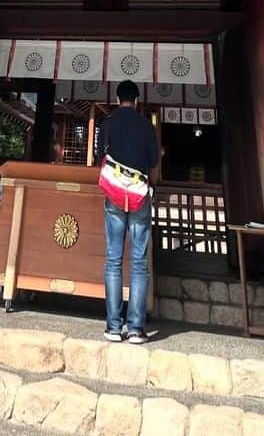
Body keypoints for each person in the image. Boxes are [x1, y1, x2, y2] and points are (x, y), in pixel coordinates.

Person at [95, 79, 159, 343]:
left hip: (114, 195)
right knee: (139, 262)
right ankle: (135, 328)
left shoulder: (107, 124)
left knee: (113, 259)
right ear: (137, 100)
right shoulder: (147, 126)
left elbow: (100, 153)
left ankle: (113, 326)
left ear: (117, 98)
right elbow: (154, 161)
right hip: (139, 195)